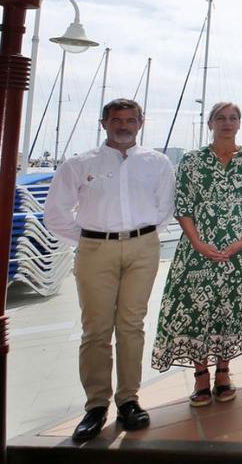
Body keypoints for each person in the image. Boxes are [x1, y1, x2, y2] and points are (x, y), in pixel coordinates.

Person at [45, 98, 174, 442]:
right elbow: (55, 212)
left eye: (130, 119)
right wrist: (90, 239)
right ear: (103, 123)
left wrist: (138, 238)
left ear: (140, 123)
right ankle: (96, 405)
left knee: (132, 325)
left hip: (142, 248)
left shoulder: (157, 163)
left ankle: (129, 400)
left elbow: (166, 207)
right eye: (116, 119)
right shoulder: (79, 163)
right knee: (96, 329)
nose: (123, 125)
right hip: (94, 249)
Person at [151, 102, 242, 408]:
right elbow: (183, 208)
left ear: (239, 124)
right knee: (197, 311)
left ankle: (224, 372)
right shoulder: (191, 161)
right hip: (197, 251)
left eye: (232, 118)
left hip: (237, 253)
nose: (227, 123)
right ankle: (201, 376)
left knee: (228, 309)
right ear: (210, 123)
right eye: (221, 118)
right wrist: (199, 244)